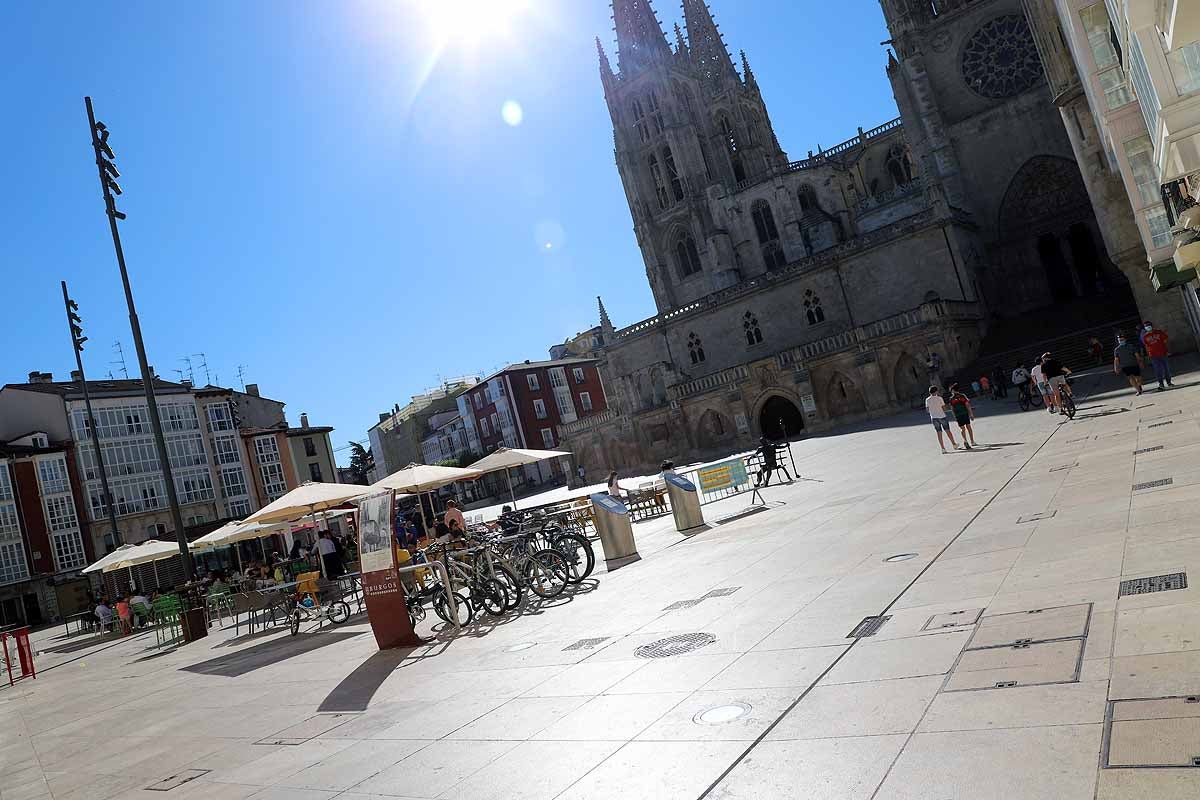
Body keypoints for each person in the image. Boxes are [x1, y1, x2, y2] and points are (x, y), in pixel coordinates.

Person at [925, 386, 959, 453]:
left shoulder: (927, 399)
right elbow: (944, 408)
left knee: (939, 433)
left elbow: (927, 410)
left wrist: (933, 411)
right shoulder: (940, 398)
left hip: (934, 418)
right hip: (942, 416)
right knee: (948, 431)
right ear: (936, 391)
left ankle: (943, 448)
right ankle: (954, 444)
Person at [1140, 321, 1172, 391]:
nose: (1148, 327)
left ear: (1152, 326)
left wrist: (1166, 349)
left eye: (1148, 325)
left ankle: (1169, 382)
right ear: (1144, 328)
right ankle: (1161, 383)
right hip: (1153, 355)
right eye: (1146, 326)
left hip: (1163, 353)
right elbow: (1145, 345)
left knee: (1166, 368)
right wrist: (1148, 354)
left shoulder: (1159, 332)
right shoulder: (1145, 336)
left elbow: (1165, 340)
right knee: (1158, 370)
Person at [947, 384, 976, 449]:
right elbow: (967, 405)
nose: (951, 392)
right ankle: (972, 441)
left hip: (958, 415)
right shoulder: (962, 396)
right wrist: (971, 414)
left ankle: (965, 440)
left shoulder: (951, 399)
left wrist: (954, 416)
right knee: (968, 427)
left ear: (953, 390)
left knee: (962, 429)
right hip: (965, 413)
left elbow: (952, 409)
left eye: (951, 391)